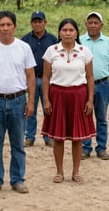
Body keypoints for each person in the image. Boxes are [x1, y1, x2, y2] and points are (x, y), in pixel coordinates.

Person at [0, 10, 36, 194]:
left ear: (15, 26)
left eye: (9, 25)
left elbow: (31, 76)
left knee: (18, 143)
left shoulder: (24, 48)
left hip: (18, 100)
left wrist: (31, 101)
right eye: (2, 25)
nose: (5, 28)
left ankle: (17, 180)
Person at [41, 18, 95, 184]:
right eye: (64, 30)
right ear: (59, 32)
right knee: (58, 137)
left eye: (71, 30)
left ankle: (76, 171)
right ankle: (59, 172)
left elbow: (90, 77)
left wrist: (90, 99)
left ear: (76, 33)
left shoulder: (84, 51)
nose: (67, 33)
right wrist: (46, 99)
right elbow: (46, 77)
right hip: (57, 95)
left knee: (77, 137)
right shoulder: (52, 51)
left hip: (79, 95)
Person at [22, 11, 57, 147]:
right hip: (31, 79)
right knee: (30, 108)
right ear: (31, 23)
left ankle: (48, 137)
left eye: (40, 21)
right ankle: (30, 137)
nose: (37, 24)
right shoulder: (25, 40)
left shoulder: (53, 39)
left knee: (48, 109)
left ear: (45, 23)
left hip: (48, 80)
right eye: (35, 21)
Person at [80, 12, 109, 160]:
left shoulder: (107, 42)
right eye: (90, 22)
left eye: (95, 22)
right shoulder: (79, 41)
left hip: (103, 84)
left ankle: (101, 148)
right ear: (86, 25)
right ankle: (85, 148)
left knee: (102, 117)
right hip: (83, 85)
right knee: (85, 116)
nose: (92, 25)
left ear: (101, 25)